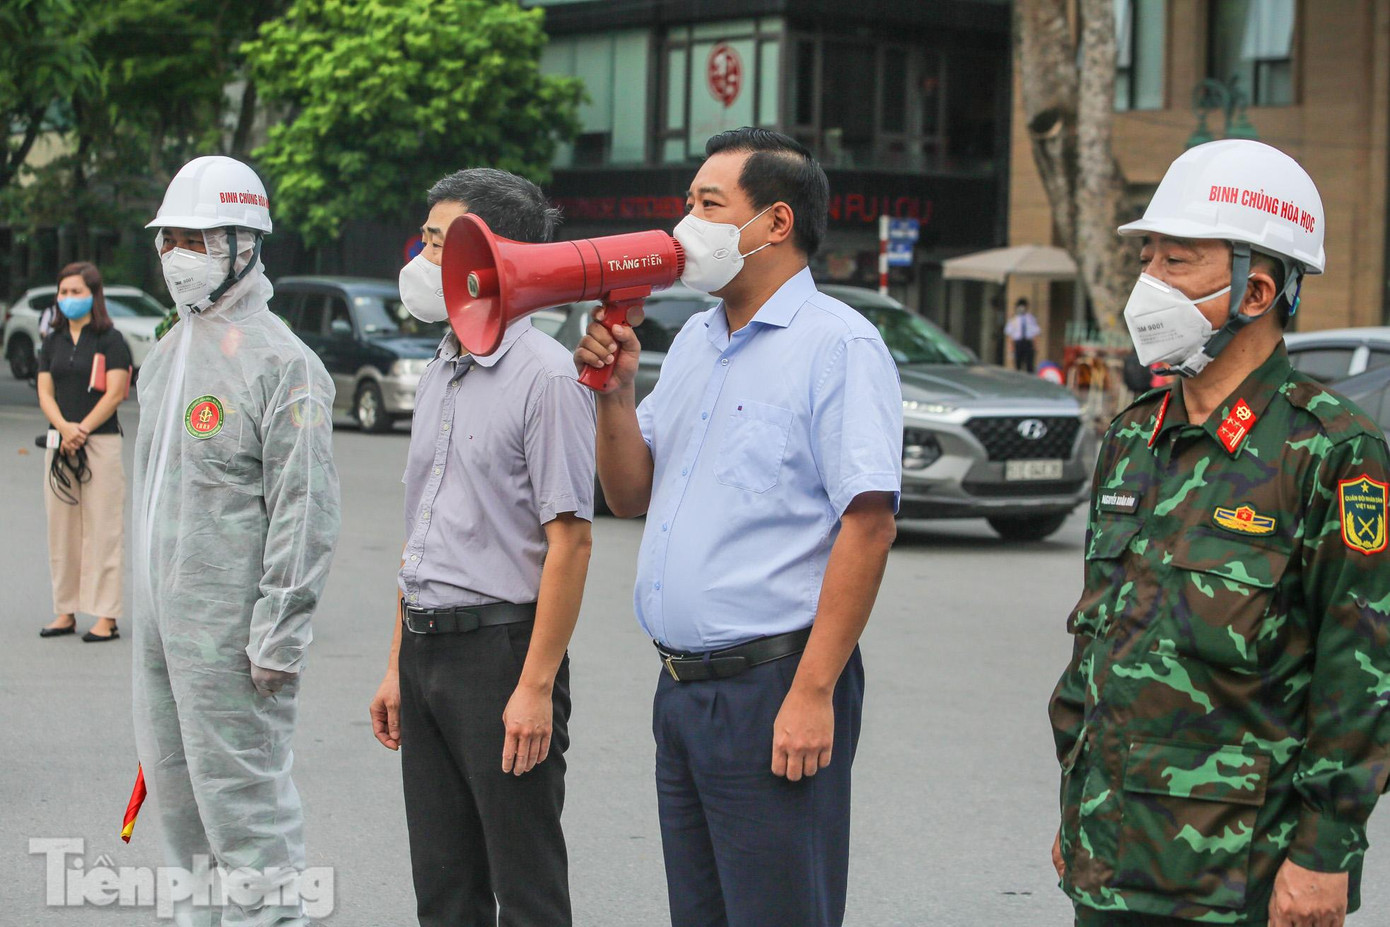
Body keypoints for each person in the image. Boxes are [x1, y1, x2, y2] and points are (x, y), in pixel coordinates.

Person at [1048, 139, 1390, 927]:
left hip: (1243, 877)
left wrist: (1326, 853)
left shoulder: (1330, 450)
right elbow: (1097, 642)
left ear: (1256, 289)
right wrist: (1078, 802)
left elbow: (1362, 672)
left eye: (1178, 261)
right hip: (1110, 852)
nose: (1149, 283)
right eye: (1148, 258)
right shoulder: (1133, 437)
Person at [575, 127, 902, 927]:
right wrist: (614, 393)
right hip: (683, 691)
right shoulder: (695, 340)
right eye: (687, 203)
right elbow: (629, 492)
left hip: (773, 686)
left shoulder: (839, 345)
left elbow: (868, 527)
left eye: (708, 205)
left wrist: (813, 693)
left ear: (775, 223)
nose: (686, 224)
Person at [369, 168, 596, 927]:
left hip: (501, 654)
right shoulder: (443, 365)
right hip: (425, 648)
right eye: (425, 239)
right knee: (444, 889)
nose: (422, 258)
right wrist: (397, 664)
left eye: (439, 242)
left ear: (490, 254)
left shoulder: (548, 377)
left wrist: (535, 686)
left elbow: (571, 542)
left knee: (526, 889)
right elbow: (423, 531)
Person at [131, 155, 340, 927]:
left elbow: (305, 510)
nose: (176, 255)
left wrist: (279, 633)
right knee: (182, 814)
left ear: (243, 245)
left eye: (196, 239)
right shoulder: (166, 357)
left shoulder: (287, 364)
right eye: (169, 239)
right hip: (163, 631)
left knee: (248, 822)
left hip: (234, 640)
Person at [36, 262, 130, 641]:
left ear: (93, 294)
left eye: (76, 292)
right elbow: (45, 392)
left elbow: (116, 392)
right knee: (61, 529)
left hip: (100, 442)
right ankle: (65, 611)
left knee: (103, 529)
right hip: (60, 443)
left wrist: (83, 429)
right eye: (63, 292)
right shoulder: (52, 341)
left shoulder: (111, 340)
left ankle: (106, 616)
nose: (69, 298)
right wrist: (64, 428)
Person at [1005, 297, 1040, 372]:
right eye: (1020, 306)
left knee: (1029, 365)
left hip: (1028, 343)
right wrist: (1011, 347)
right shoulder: (1013, 319)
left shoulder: (1031, 318)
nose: (1022, 309)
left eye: (1024, 306)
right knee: (1018, 364)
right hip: (1018, 343)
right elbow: (1009, 334)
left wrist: (1035, 346)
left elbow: (1035, 333)